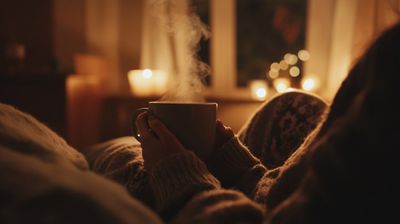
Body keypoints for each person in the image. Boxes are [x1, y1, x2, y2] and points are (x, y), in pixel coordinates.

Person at [88, 22, 400, 224]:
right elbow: (291, 203)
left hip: (189, 190)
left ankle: (102, 158)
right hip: (243, 182)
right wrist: (241, 168)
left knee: (124, 153)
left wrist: (177, 174)